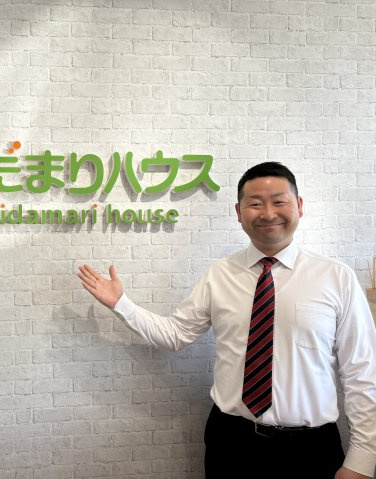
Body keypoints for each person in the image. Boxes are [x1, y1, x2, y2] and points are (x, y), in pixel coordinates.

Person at [78, 162, 376, 479]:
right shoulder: (219, 274)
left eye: (279, 201)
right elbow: (176, 334)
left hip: (309, 449)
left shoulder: (336, 277)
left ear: (299, 205)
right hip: (231, 442)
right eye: (255, 203)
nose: (268, 213)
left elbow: (361, 370)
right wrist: (121, 304)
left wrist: (363, 459)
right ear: (238, 212)